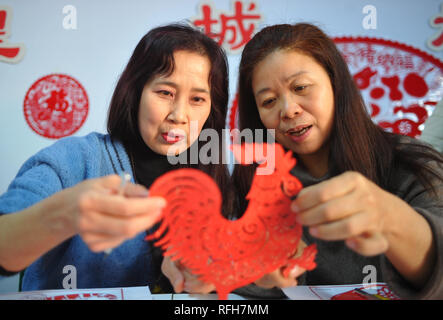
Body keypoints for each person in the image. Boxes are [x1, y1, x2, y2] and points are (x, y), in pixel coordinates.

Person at [0, 23, 233, 291]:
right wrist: (65, 215)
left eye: (198, 99)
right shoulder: (76, 159)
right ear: (134, 93)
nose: (179, 115)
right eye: (165, 93)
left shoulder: (213, 175)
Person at [229, 23, 443, 299]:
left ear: (336, 84)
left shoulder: (412, 164)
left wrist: (392, 220)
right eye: (269, 101)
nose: (289, 109)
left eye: (301, 87)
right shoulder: (255, 180)